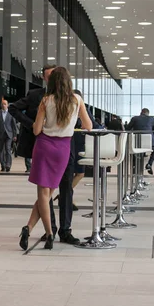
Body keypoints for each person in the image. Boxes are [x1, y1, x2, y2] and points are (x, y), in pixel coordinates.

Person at [19, 67, 92, 251]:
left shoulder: (46, 100)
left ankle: (49, 233)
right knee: (48, 194)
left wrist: (43, 125)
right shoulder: (77, 100)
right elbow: (88, 126)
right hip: (63, 149)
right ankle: (28, 227)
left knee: (43, 194)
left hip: (44, 147)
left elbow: (36, 130)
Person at [126, 108, 154, 175]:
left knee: (135, 151)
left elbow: (127, 128)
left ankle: (134, 166)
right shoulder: (151, 118)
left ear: (141, 112)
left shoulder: (134, 118)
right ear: (148, 113)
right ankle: (149, 164)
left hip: (137, 141)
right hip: (149, 142)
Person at [0, 99, 18, 172]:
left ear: (7, 105)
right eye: (2, 104)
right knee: (0, 150)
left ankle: (8, 165)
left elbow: (14, 125)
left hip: (9, 134)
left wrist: (15, 135)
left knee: (8, 149)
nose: (3, 105)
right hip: (0, 134)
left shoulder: (11, 113)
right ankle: (3, 165)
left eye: (5, 104)